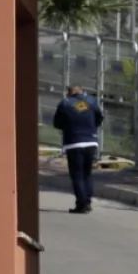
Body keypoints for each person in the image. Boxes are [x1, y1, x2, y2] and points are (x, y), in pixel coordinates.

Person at [52, 84, 103, 213]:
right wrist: (90, 128)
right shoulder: (91, 101)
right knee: (87, 174)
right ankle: (88, 201)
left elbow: (57, 123)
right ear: (82, 91)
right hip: (91, 141)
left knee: (77, 175)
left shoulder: (65, 104)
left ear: (69, 93)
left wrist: (69, 127)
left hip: (74, 142)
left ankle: (82, 204)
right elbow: (99, 118)